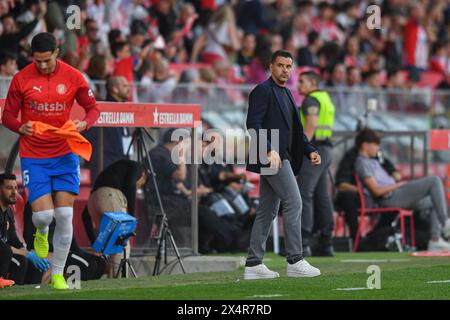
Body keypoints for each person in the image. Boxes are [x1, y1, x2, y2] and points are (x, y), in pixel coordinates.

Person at [1, 32, 100, 290]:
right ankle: (42, 235)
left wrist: (84, 123)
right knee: (44, 216)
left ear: (57, 52)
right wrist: (20, 126)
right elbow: (7, 116)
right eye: (38, 61)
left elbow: (93, 108)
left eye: (47, 60)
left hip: (65, 151)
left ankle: (58, 274)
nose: (42, 65)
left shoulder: (74, 76)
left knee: (66, 214)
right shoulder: (21, 78)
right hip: (34, 156)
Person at [244, 50, 321, 280]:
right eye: (280, 65)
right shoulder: (262, 91)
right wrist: (269, 149)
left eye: (288, 66)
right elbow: (252, 124)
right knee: (294, 202)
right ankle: (295, 259)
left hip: (281, 156)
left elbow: (297, 131)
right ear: (271, 66)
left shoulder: (287, 94)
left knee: (267, 210)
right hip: (271, 156)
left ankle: (253, 263)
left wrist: (310, 150)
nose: (284, 70)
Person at [354, 129, 450, 251]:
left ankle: (435, 240)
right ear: (365, 145)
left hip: (396, 194)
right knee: (434, 180)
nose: (378, 148)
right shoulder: (362, 163)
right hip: (390, 197)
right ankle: (445, 223)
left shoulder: (373, 161)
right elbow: (376, 191)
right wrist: (397, 185)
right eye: (375, 144)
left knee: (433, 200)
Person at [297, 71, 336, 256]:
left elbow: (310, 125)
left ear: (313, 83)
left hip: (315, 149)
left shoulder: (311, 100)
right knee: (322, 195)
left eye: (302, 81)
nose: (298, 85)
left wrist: (303, 148)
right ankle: (326, 241)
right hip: (326, 148)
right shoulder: (325, 98)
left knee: (304, 193)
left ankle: (303, 242)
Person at [0, 173, 50, 288]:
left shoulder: (8, 212)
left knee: (35, 263)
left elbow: (14, 240)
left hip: (5, 252)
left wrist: (27, 251)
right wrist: (27, 254)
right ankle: (11, 290)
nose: (14, 192)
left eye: (15, 188)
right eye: (9, 188)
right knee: (20, 261)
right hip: (3, 252)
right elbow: (2, 246)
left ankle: (29, 291)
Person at [84, 76, 132, 183]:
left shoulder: (124, 109)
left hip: (121, 164)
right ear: (114, 89)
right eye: (124, 86)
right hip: (105, 167)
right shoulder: (101, 110)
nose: (128, 88)